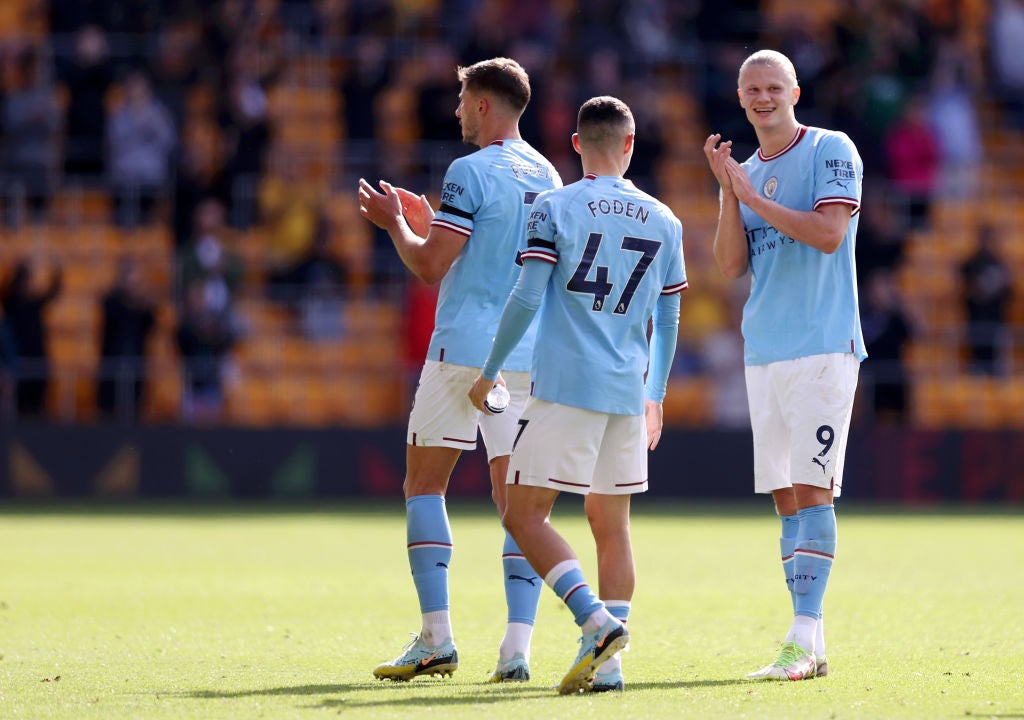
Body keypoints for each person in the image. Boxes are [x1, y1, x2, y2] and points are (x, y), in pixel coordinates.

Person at [469, 95, 687, 694]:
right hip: (627, 391)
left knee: (521, 512)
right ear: (630, 144)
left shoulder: (554, 206)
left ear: (574, 145)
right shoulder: (665, 220)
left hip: (566, 384)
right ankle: (610, 668)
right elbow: (666, 326)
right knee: (610, 525)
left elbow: (525, 297)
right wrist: (656, 397)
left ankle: (595, 622)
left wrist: (489, 370)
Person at [357, 57, 561, 683]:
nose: (454, 110)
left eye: (461, 98)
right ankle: (517, 648)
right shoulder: (552, 175)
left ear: (483, 105)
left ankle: (436, 639)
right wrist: (432, 223)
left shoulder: (469, 171)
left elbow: (429, 266)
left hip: (463, 351)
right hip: (526, 354)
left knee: (424, 485)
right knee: (518, 503)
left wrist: (396, 225)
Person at [703, 49, 865, 681]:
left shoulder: (831, 148)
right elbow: (728, 266)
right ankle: (813, 642)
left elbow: (828, 234)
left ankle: (798, 640)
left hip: (822, 345)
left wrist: (753, 197)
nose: (762, 97)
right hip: (765, 348)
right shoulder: (742, 173)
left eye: (773, 86)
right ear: (740, 98)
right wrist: (728, 193)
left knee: (814, 488)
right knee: (784, 497)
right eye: (752, 89)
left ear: (794, 90)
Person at [960, 224, 1012, 375]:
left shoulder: (1000, 263)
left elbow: (1009, 293)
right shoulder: (969, 263)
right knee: (977, 363)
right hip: (975, 320)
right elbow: (963, 292)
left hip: (996, 320)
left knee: (997, 363)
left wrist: (1000, 285)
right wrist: (979, 289)